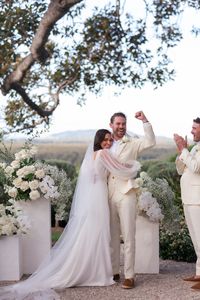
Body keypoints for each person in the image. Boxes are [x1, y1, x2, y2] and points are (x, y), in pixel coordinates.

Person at [0, 129, 141, 300]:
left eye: (110, 140)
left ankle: (97, 270)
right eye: (105, 140)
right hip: (98, 197)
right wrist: (135, 166)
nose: (108, 143)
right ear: (98, 141)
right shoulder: (104, 153)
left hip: (94, 196)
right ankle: (97, 273)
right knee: (98, 233)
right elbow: (120, 169)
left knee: (94, 233)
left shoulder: (93, 154)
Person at [108, 111, 156, 289]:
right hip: (108, 193)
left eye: (124, 124)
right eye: (118, 124)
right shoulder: (105, 142)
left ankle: (129, 275)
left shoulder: (133, 142)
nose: (121, 127)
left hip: (127, 192)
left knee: (128, 235)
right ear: (111, 125)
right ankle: (114, 271)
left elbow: (151, 141)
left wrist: (145, 121)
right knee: (112, 235)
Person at [174, 117, 200, 291]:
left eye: (195, 128)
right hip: (189, 198)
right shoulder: (195, 148)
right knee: (196, 239)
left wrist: (185, 149)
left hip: (197, 199)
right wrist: (181, 152)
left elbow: (196, 167)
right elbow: (181, 169)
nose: (191, 131)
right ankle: (199, 273)